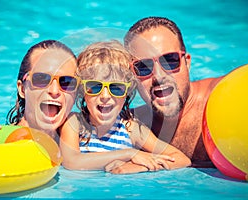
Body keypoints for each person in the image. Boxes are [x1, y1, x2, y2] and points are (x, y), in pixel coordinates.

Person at [59, 40, 191, 172]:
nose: (105, 96)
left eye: (116, 88)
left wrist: (136, 167)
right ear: (82, 90)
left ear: (127, 92)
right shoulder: (75, 123)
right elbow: (71, 161)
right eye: (95, 87)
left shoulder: (130, 129)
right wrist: (129, 154)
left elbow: (181, 159)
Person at [123, 16, 224, 168]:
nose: (159, 76)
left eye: (169, 60)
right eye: (143, 67)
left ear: (187, 62)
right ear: (132, 75)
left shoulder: (222, 96)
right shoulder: (128, 125)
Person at [0, 39, 79, 143]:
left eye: (67, 82)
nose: (54, 90)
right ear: (22, 89)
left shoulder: (84, 147)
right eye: (41, 78)